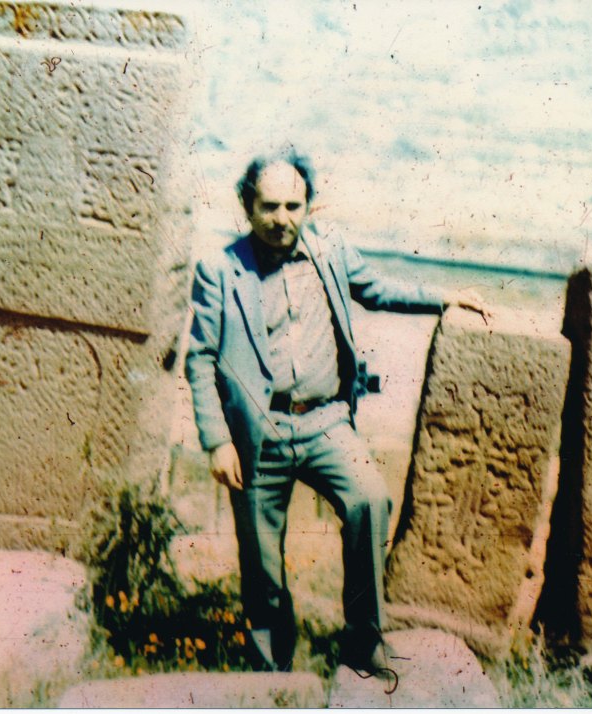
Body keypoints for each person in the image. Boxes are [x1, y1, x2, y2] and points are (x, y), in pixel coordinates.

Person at [184, 147, 489, 675]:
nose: (283, 220)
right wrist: (217, 441)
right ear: (246, 205)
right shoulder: (220, 270)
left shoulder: (332, 251)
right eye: (270, 206)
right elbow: (200, 358)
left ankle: (362, 640)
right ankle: (271, 669)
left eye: (294, 206)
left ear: (310, 206)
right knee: (261, 561)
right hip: (260, 431)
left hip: (326, 421)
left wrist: (445, 298)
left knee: (369, 500)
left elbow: (378, 290)